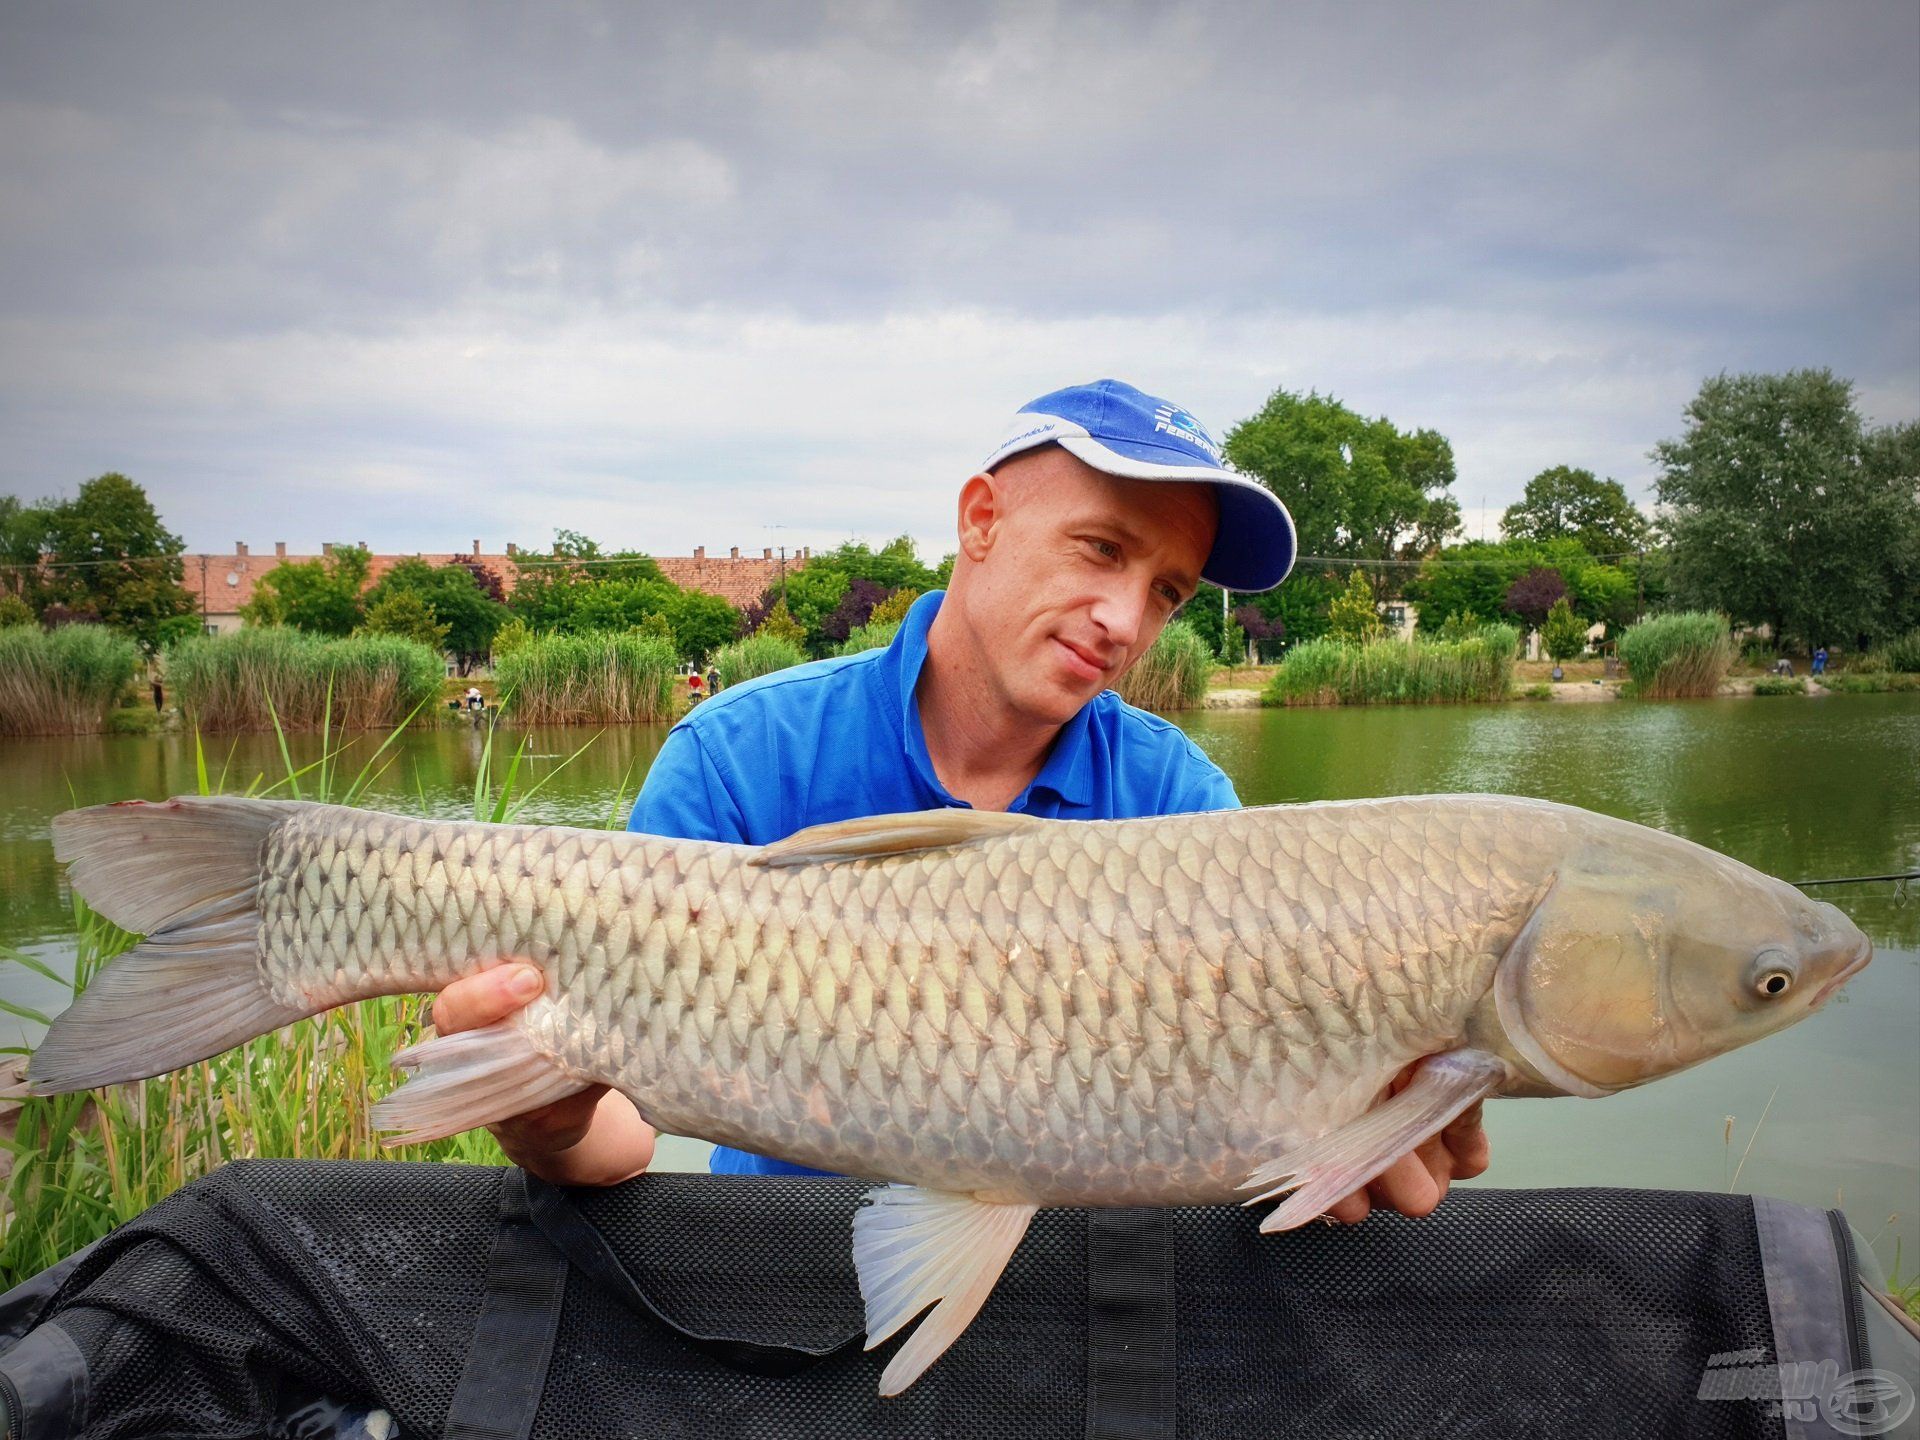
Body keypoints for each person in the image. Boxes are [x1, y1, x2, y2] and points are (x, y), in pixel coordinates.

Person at [429, 379, 1490, 1224]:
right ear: (980, 519)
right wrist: (545, 1118)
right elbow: (620, 1138)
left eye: (1166, 590)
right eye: (1103, 549)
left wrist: (1332, 1133)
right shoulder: (742, 756)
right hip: (776, 1269)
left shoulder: (1178, 802)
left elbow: (1218, 1114)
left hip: (1074, 1294)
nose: (1124, 618)